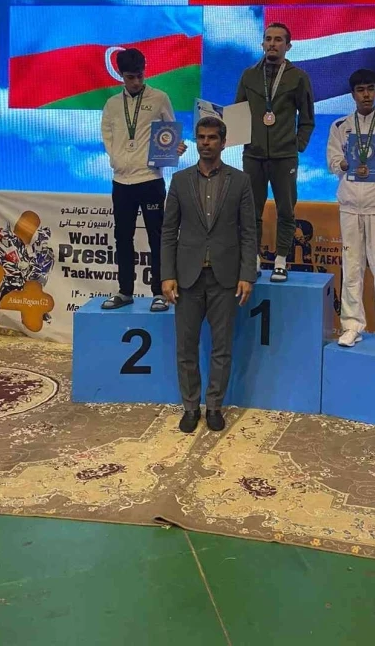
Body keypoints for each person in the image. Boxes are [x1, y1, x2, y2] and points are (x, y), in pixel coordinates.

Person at [161, 116, 257, 433]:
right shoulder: (179, 181)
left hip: (224, 278)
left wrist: (247, 274)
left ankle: (214, 405)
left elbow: (248, 232)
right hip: (187, 278)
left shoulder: (240, 182)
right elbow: (168, 232)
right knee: (186, 348)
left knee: (222, 347)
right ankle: (191, 407)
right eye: (201, 137)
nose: (206, 142)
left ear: (223, 142)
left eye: (212, 137)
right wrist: (167, 274)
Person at [100, 48, 186, 312]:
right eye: (130, 77)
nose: (136, 82)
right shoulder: (112, 104)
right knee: (122, 237)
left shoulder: (159, 98)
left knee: (157, 237)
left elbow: (170, 131)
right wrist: (117, 159)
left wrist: (175, 148)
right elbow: (107, 135)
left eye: (140, 76)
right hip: (121, 182)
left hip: (150, 180)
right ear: (121, 75)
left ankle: (159, 292)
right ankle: (125, 291)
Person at [327, 68, 375, 351]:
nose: (366, 95)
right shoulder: (339, 127)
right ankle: (351, 326)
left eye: (370, 89)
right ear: (353, 94)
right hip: (349, 204)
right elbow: (332, 160)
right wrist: (344, 164)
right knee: (352, 268)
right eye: (360, 90)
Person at [235, 22, 315, 282]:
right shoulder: (248, 75)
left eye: (278, 39)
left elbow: (307, 118)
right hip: (253, 155)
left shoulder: (298, 77)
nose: (272, 43)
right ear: (262, 44)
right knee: (251, 210)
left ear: (288, 46)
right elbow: (238, 112)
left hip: (285, 156)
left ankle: (281, 260)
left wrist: (297, 145)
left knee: (286, 210)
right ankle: (254, 259)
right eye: (268, 39)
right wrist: (240, 140)